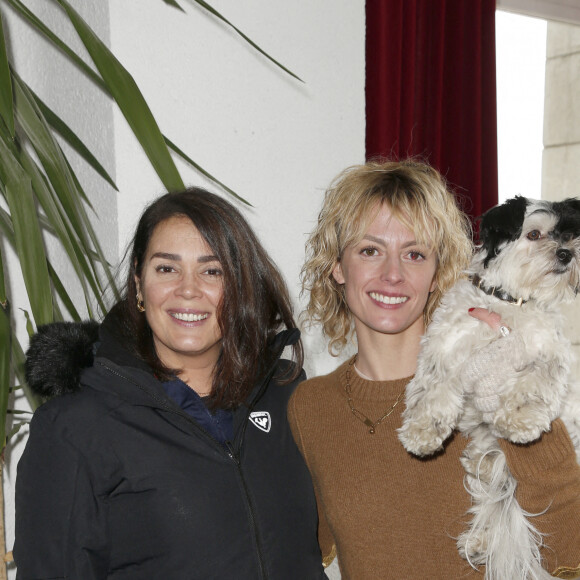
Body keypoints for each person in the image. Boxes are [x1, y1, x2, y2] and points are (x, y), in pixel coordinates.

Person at [288, 159, 580, 579]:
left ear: (436, 269)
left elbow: (568, 553)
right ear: (336, 265)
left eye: (415, 253)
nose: (392, 274)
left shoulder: (508, 374)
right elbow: (293, 551)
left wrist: (515, 397)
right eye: (370, 250)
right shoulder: (310, 407)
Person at [15, 188, 327, 579]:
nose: (188, 289)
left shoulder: (288, 397)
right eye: (167, 268)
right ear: (138, 286)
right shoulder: (74, 429)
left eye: (212, 270)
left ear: (240, 288)